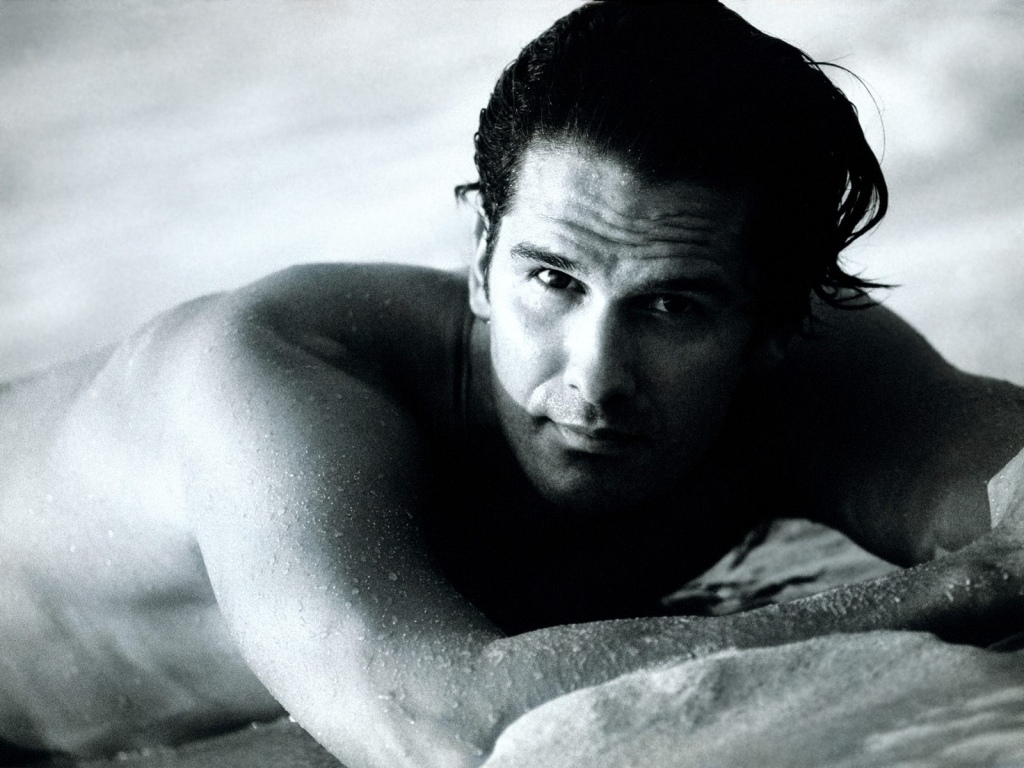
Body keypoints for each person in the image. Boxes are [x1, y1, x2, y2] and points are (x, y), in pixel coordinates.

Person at [2, 2, 1024, 767]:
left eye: (671, 308)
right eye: (553, 280)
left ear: (777, 324)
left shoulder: (808, 375)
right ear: (484, 255)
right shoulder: (276, 376)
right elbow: (439, 727)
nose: (594, 376)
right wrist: (952, 593)